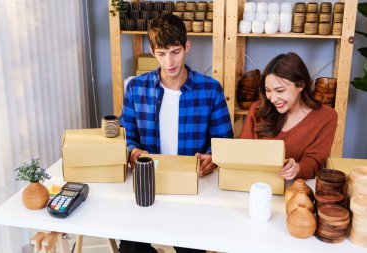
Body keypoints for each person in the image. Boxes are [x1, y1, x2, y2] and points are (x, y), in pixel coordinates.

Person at [119, 14, 233, 253]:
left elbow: (224, 141)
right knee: (130, 248)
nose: (169, 61)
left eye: (175, 51)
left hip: (192, 187)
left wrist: (212, 158)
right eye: (161, 53)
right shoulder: (136, 88)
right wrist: (133, 151)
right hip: (149, 184)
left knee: (190, 248)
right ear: (152, 51)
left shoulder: (210, 89)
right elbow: (125, 135)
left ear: (186, 46)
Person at [240, 52, 337, 180]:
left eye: (280, 90)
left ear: (301, 85)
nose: (273, 98)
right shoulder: (258, 109)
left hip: (297, 189)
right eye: (268, 90)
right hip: (257, 185)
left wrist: (298, 168)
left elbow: (314, 163)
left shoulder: (326, 117)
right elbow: (242, 152)